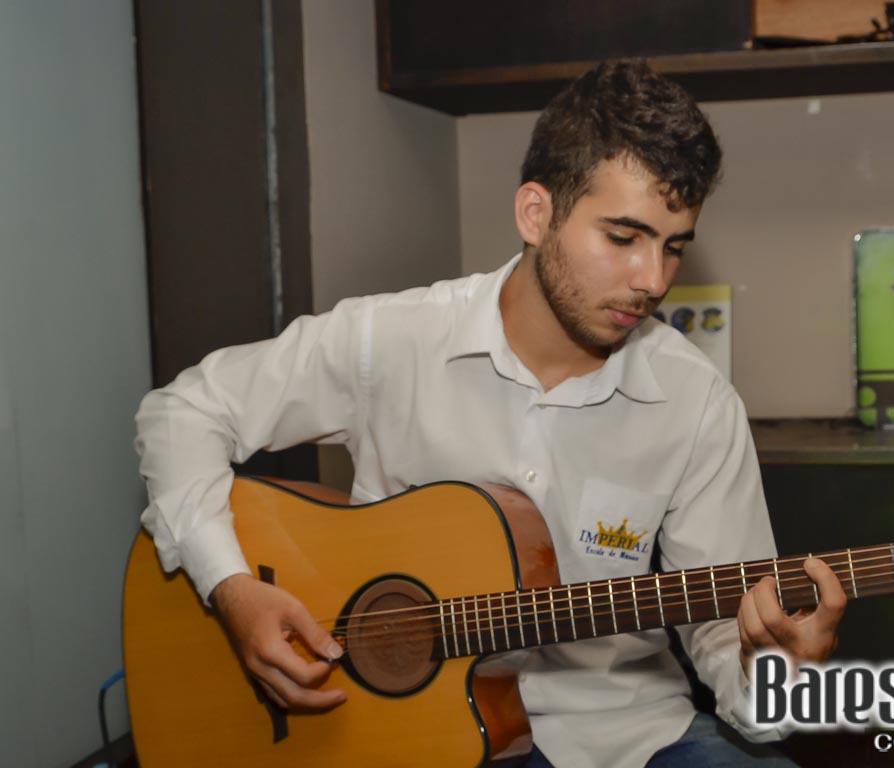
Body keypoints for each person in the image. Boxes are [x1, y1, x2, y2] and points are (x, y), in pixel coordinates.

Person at [135, 59, 846, 767]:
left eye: (673, 247)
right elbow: (180, 413)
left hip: (625, 738)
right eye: (623, 238)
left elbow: (725, 638)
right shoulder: (392, 339)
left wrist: (777, 670)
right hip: (396, 734)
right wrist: (232, 588)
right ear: (536, 214)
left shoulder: (697, 404)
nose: (652, 280)